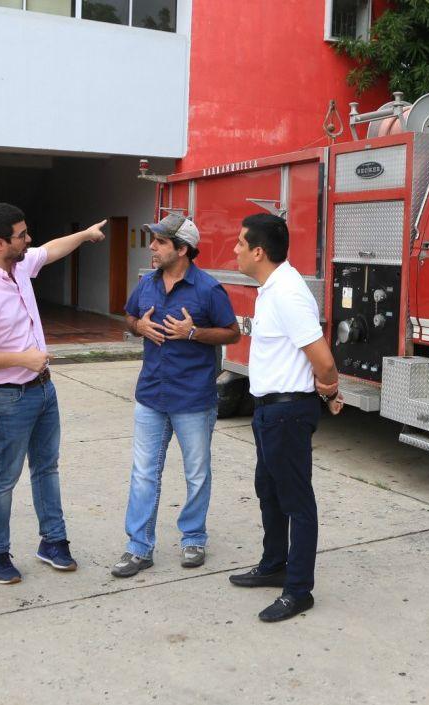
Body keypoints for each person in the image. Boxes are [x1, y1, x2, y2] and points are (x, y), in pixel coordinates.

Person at [0, 203, 106, 584]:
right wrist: (22, 358)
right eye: (22, 234)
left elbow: (50, 249)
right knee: (4, 477)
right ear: (0, 242)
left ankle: (53, 542)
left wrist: (85, 235)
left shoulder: (16, 267)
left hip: (42, 389)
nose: (28, 239)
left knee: (47, 468)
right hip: (5, 398)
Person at [228, 213, 343, 623]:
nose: (235, 250)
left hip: (287, 413)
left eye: (241, 243)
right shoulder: (271, 288)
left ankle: (298, 590)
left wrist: (328, 390)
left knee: (296, 502)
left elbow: (324, 362)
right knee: (269, 492)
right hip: (268, 411)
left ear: (259, 251)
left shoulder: (288, 293)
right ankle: (274, 564)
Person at [112, 214, 240, 578]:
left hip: (193, 399)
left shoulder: (208, 289)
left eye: (160, 242)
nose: (151, 247)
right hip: (151, 394)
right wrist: (139, 326)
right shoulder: (147, 284)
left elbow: (231, 334)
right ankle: (138, 548)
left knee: (196, 473)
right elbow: (128, 317)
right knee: (143, 474)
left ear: (182, 249)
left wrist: (193, 332)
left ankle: (194, 538)